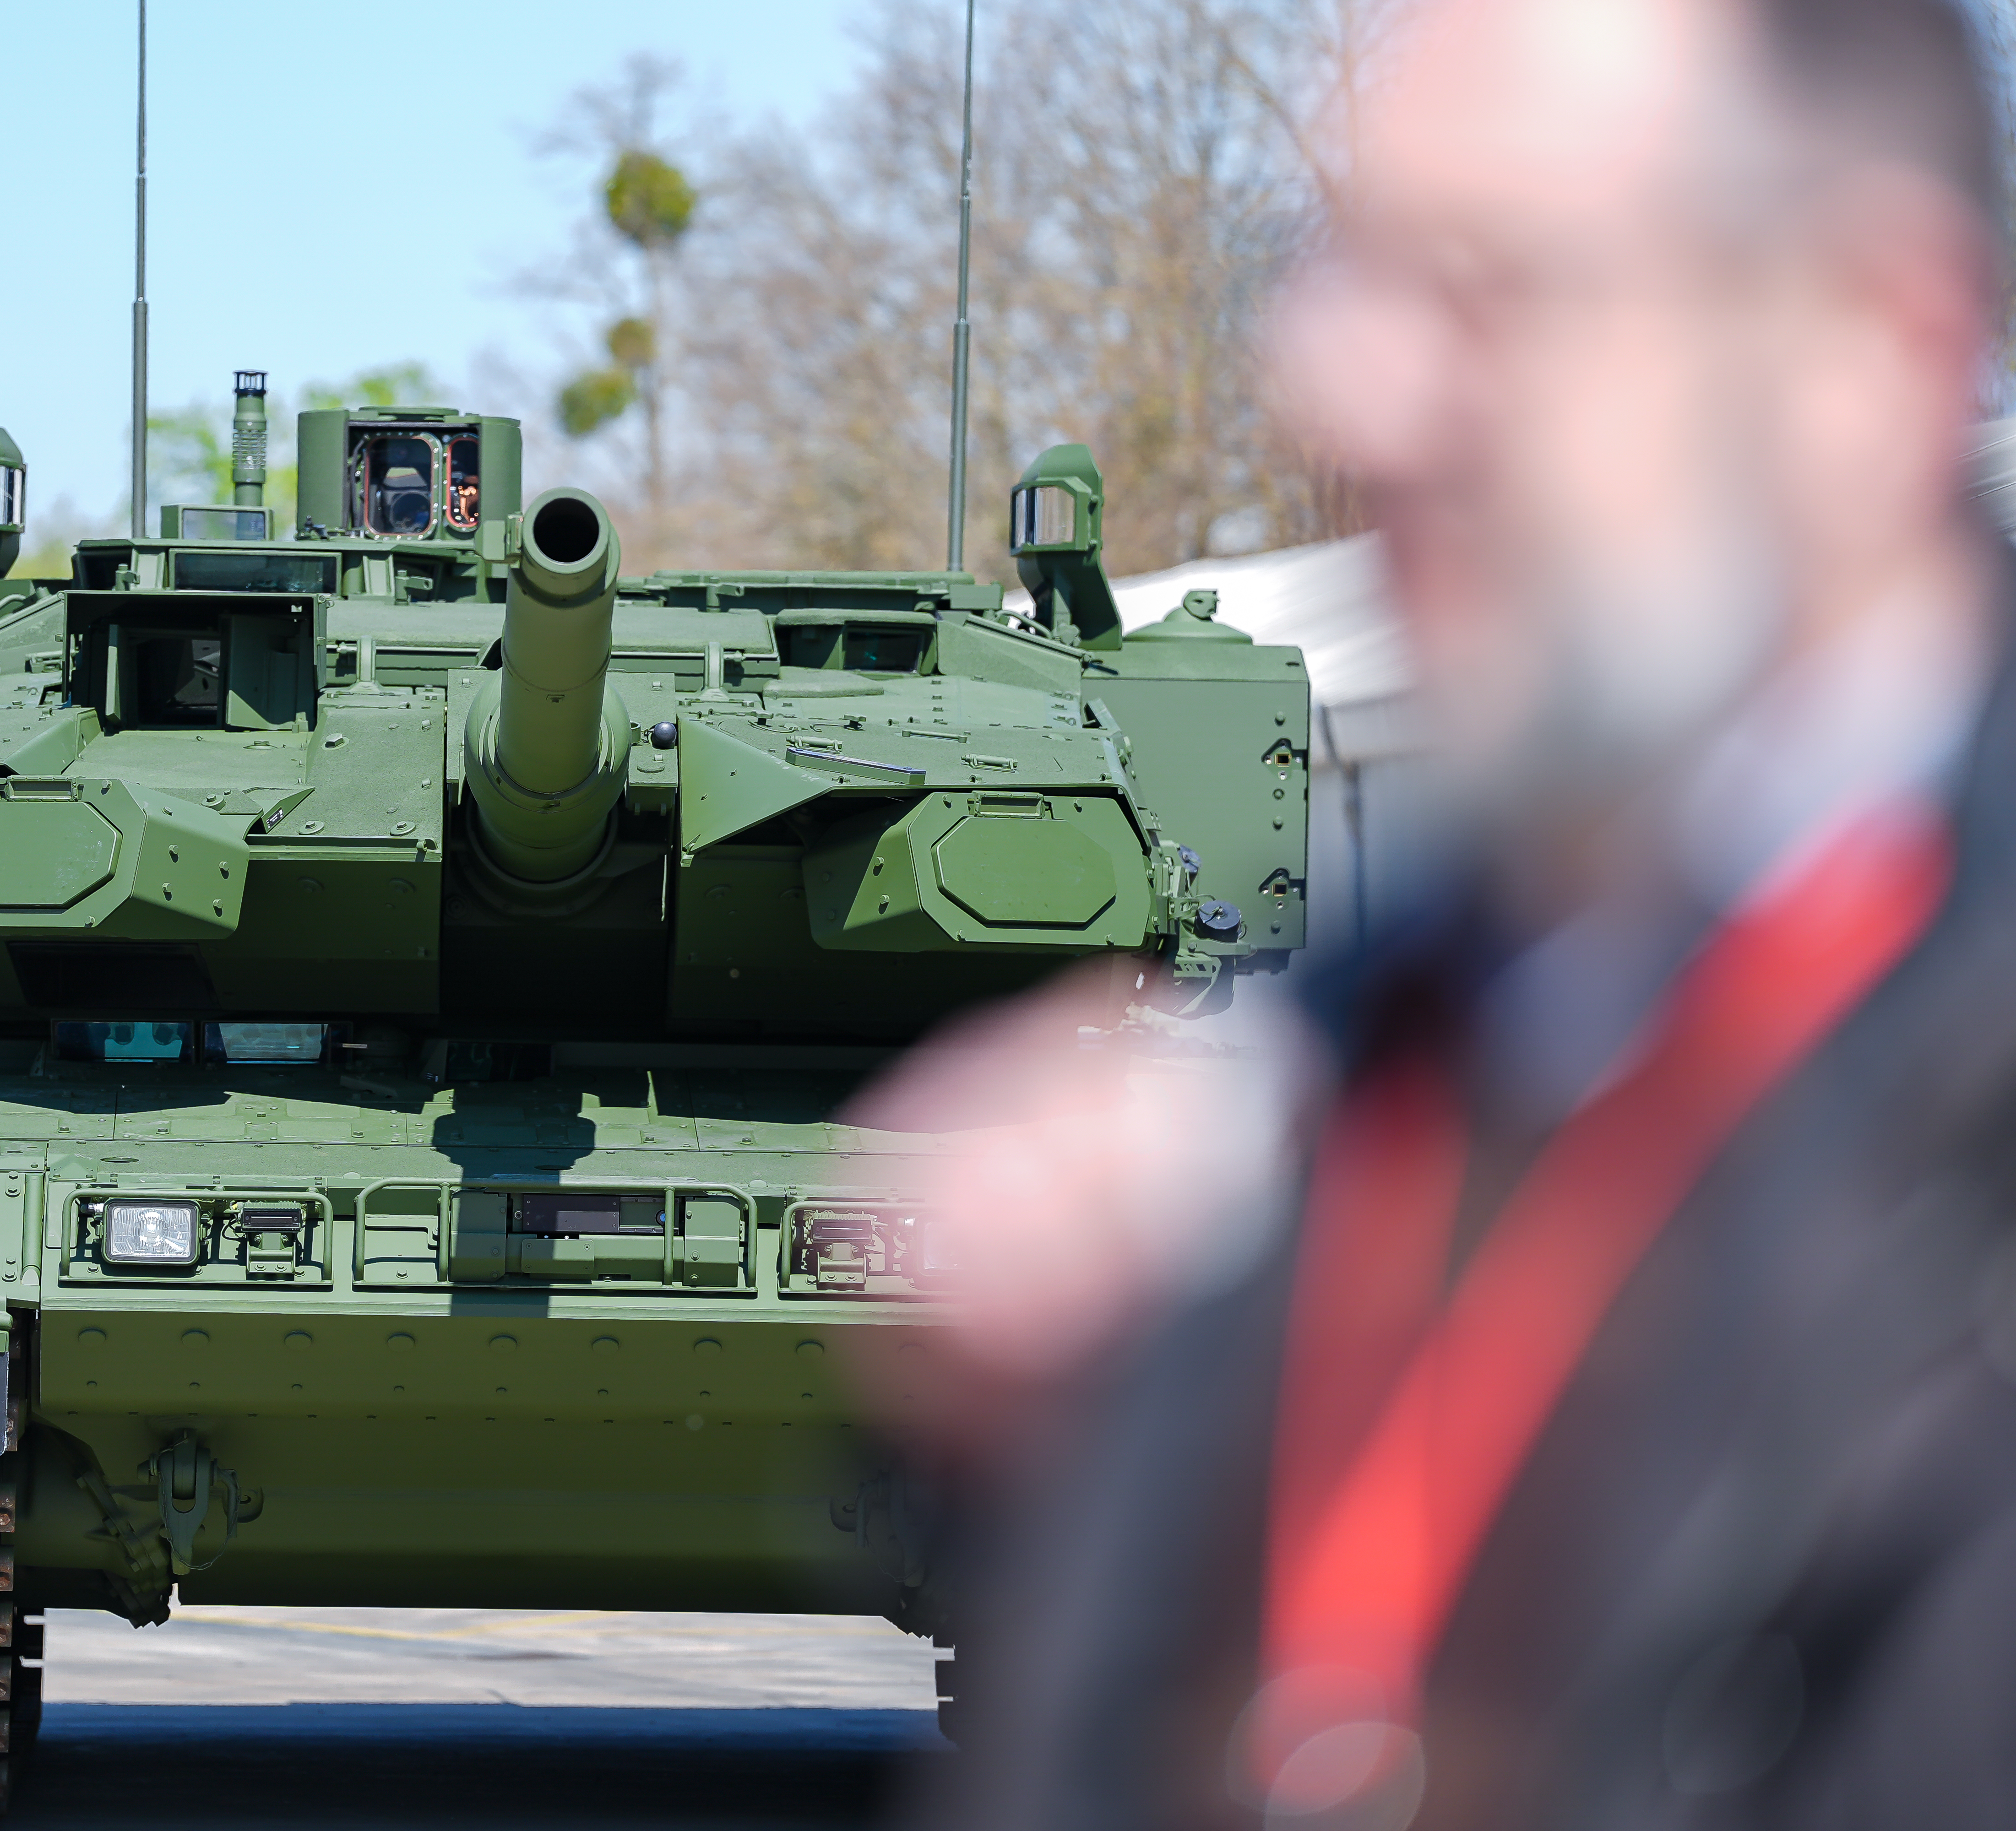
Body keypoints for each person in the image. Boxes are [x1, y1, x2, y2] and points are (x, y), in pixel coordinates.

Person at [861, 0, 2016, 1822]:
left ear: (1872, 350)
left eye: (1491, 283)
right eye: (1342, 278)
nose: (1342, 393)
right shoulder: (1289, 1129)